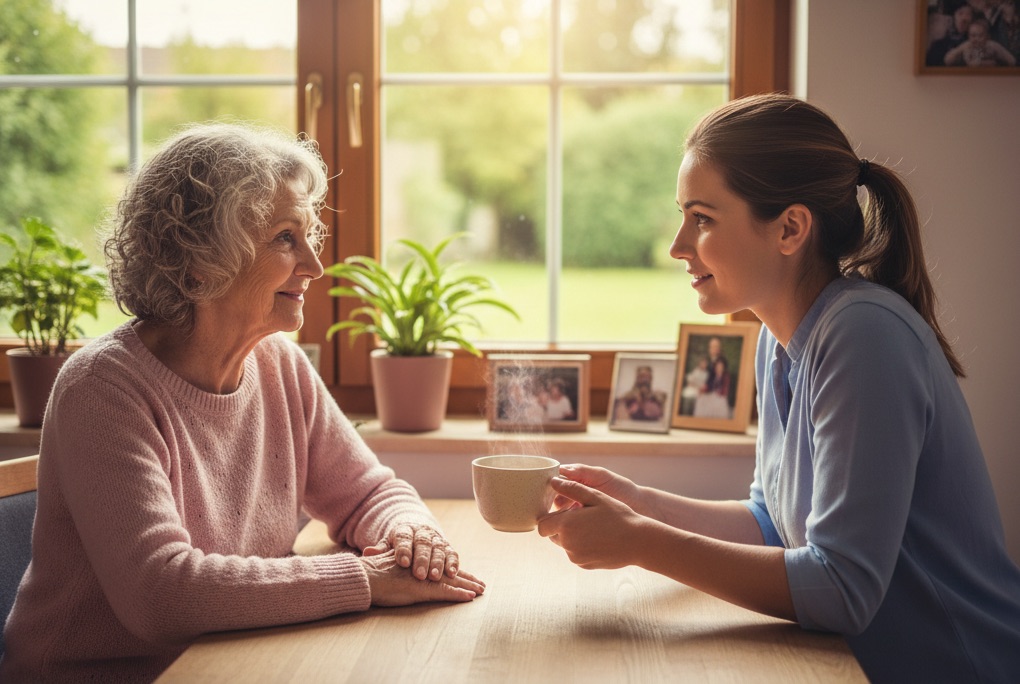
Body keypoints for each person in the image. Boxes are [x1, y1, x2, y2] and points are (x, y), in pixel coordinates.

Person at [537, 93, 1020, 682]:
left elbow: (842, 588)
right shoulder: (778, 337)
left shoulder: (864, 335)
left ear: (790, 228)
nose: (678, 246)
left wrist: (642, 542)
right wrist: (637, 502)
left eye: (703, 218)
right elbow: (772, 525)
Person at [0, 123, 484, 682]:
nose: (314, 265)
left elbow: (368, 493)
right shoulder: (102, 389)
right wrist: (365, 581)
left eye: (307, 235)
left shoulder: (278, 365)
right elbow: (162, 594)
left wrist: (411, 536)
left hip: (229, 662)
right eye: (284, 238)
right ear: (201, 260)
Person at [944, 17, 1017, 65]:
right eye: (973, 36)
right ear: (968, 36)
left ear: (987, 36)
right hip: (970, 78)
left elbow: (1012, 61)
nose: (976, 39)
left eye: (980, 36)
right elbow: (947, 60)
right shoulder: (966, 45)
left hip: (992, 77)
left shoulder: (993, 45)